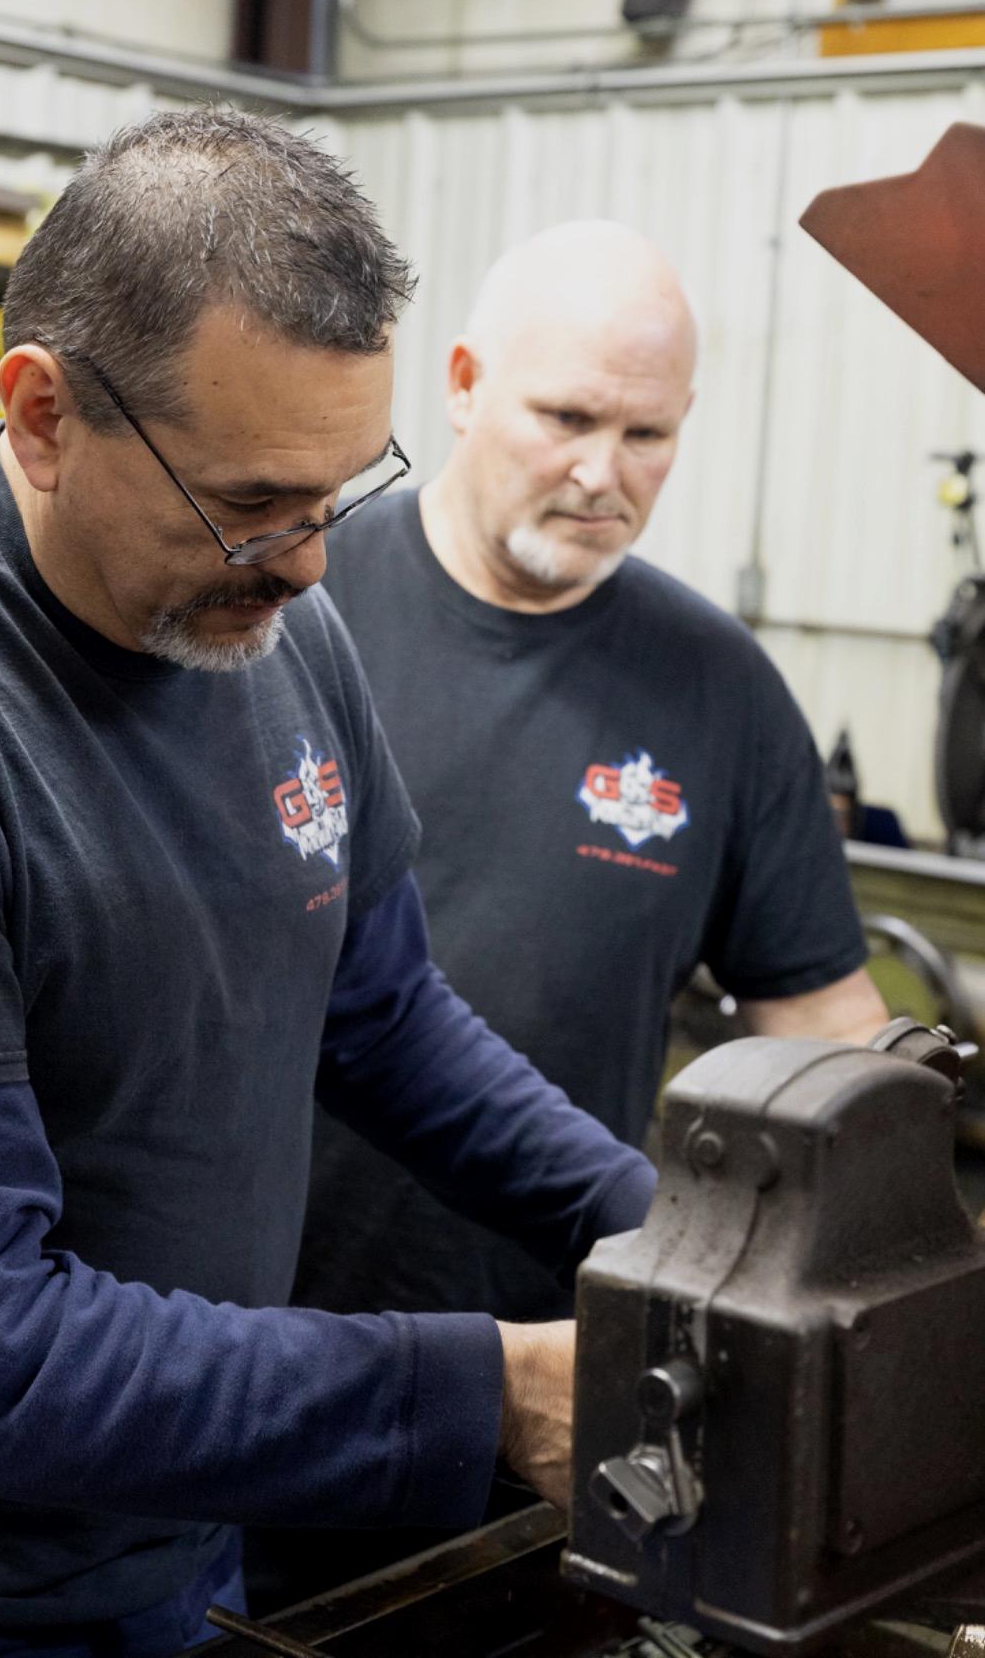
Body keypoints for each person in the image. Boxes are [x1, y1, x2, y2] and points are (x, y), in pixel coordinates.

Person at [0, 117, 656, 1658]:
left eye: (337, 491)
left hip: (170, 1546)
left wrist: (670, 1240)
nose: (307, 564)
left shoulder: (265, 617)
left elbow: (378, 1019)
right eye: (248, 501)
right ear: (40, 416)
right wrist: (484, 1392)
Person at [293, 220, 887, 1334]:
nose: (601, 471)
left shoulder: (723, 688)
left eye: (645, 431)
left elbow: (824, 1031)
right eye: (566, 417)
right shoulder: (293, 613)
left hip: (566, 1339)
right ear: (465, 384)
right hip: (259, 1339)